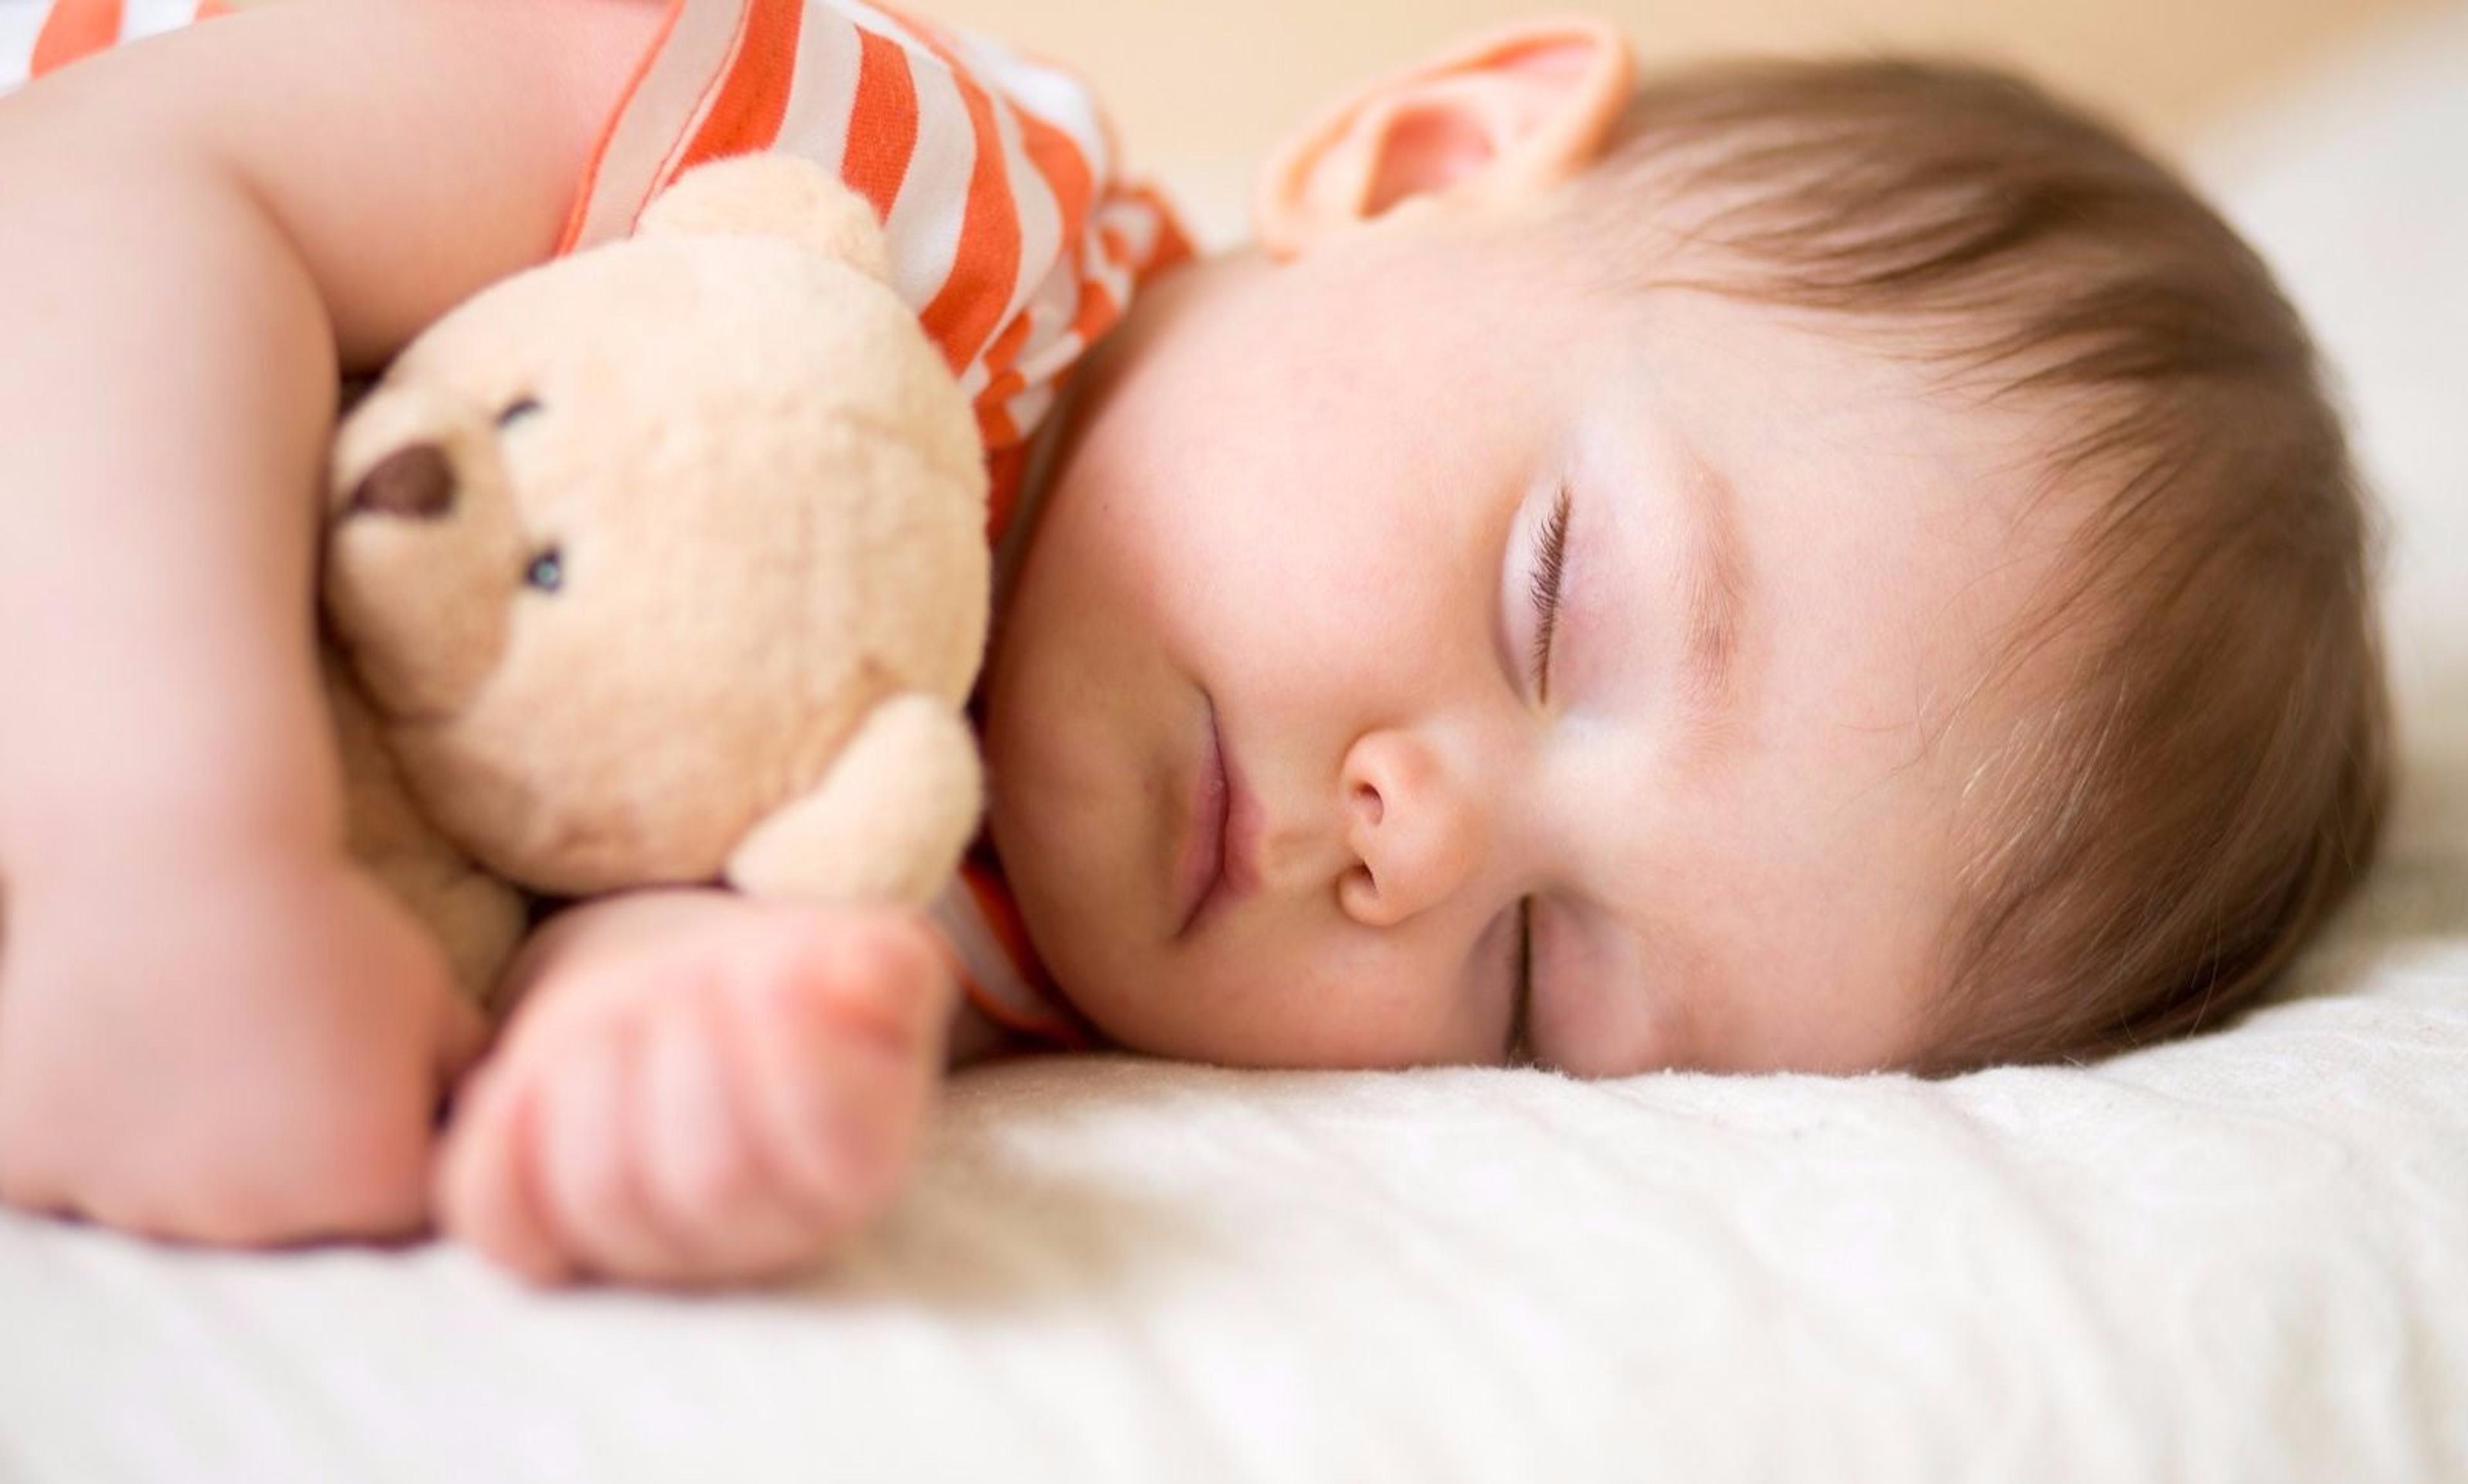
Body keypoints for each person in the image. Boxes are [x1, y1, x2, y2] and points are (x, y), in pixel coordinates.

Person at [0, 0, 2386, 1288]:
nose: (1415, 849)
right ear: (1422, 168)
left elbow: (613, 832)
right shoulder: (860, 174)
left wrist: (663, 1054)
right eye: (1556, 596)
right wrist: (177, 856)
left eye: (1542, 983)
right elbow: (124, 192)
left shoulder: (1023, 948)